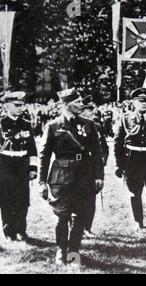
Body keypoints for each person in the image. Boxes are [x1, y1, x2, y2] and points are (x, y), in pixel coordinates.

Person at [38, 88, 104, 265]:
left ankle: (74, 251)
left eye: (81, 101)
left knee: (81, 214)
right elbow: (44, 156)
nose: (81, 105)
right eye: (77, 102)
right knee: (62, 215)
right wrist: (41, 181)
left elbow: (97, 153)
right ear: (66, 104)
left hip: (84, 174)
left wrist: (99, 176)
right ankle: (61, 250)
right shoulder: (53, 126)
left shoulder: (89, 124)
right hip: (61, 175)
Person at [113, 88, 146, 235]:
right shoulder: (125, 119)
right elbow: (117, 143)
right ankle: (138, 222)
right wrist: (119, 164)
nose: (144, 103)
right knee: (134, 192)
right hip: (133, 161)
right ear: (133, 102)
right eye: (140, 100)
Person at [0, 91, 38, 242]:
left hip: (22, 164)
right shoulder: (1, 124)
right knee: (6, 199)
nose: (20, 108)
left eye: (22, 105)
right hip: (5, 164)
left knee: (22, 199)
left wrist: (33, 168)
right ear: (7, 106)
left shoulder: (26, 124)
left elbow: (32, 148)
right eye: (17, 105)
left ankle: (21, 230)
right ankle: (9, 231)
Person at [80, 96, 109, 238]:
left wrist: (103, 160)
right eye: (88, 110)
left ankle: (87, 228)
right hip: (78, 167)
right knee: (76, 199)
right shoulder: (75, 126)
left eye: (92, 110)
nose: (92, 112)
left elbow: (103, 147)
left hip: (92, 167)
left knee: (91, 199)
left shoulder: (97, 126)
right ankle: (76, 229)